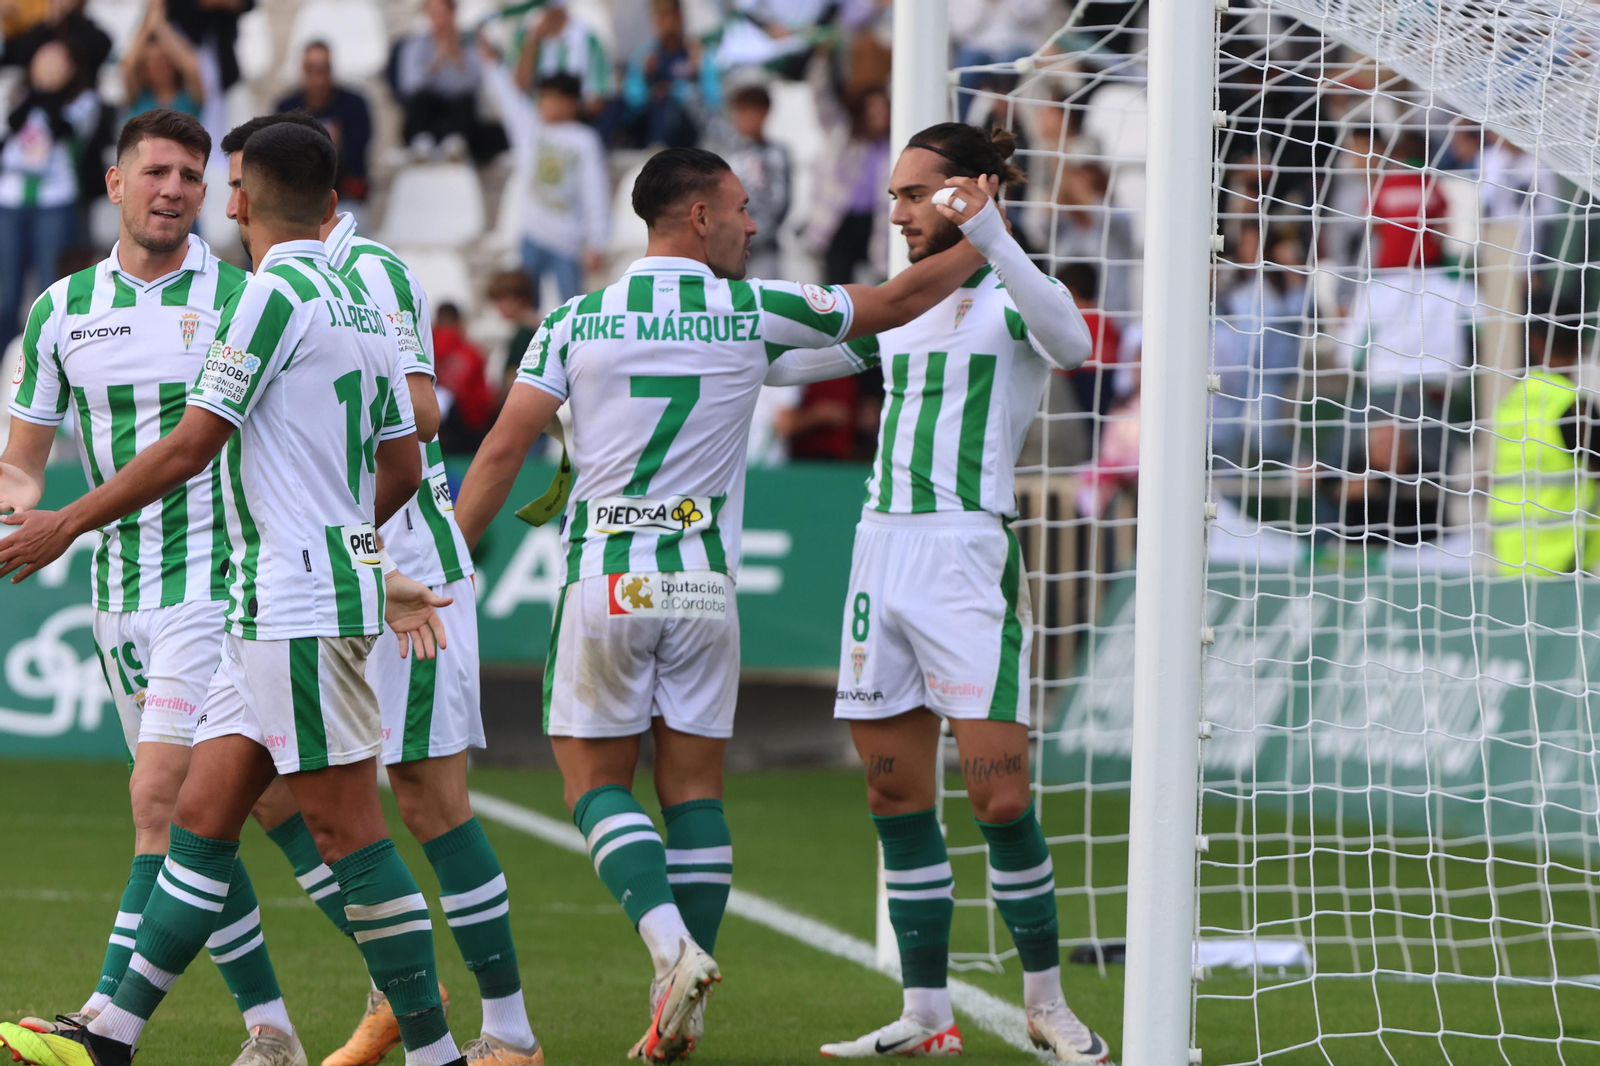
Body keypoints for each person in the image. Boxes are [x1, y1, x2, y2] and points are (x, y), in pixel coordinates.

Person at [452, 146, 994, 1061]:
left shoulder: (574, 321)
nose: (752, 225)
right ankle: (675, 1016)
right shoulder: (751, 309)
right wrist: (988, 235)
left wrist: (449, 557)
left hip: (608, 579)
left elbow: (503, 450)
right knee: (695, 792)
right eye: (741, 209)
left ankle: (670, 951)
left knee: (591, 783)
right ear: (696, 216)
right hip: (705, 585)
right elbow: (897, 304)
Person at [0, 120, 467, 1066]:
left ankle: (436, 1053)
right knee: (199, 817)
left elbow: (189, 446)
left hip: (275, 600)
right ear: (334, 205)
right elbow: (404, 460)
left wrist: (64, 523)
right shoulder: (355, 298)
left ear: (240, 198)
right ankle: (113, 1036)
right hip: (272, 598)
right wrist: (358, 556)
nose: (191, 193)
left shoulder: (260, 299)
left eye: (210, 179)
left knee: (345, 832)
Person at [761, 123, 1111, 1062]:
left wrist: (993, 232)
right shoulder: (901, 308)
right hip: (881, 554)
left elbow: (1075, 345)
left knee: (999, 797)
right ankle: (925, 1015)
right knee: (894, 796)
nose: (900, 210)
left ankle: (1046, 1002)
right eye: (897, 197)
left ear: (973, 190)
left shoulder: (1013, 294)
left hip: (966, 557)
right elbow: (789, 363)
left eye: (916, 194)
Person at [216, 111, 544, 1066]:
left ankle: (508, 1035)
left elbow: (422, 413)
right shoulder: (283, 279)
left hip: (400, 565)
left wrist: (330, 523)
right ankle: (398, 986)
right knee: (279, 794)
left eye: (239, 181)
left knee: (428, 801)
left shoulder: (372, 273)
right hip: (333, 578)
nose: (230, 203)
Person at [0, 107, 308, 1066]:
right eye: (157, 172)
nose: (173, 190)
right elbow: (24, 462)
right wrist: (12, 506)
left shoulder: (244, 297)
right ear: (116, 184)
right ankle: (278, 1028)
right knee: (232, 817)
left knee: (161, 803)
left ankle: (101, 1022)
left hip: (219, 583)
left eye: (190, 174)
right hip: (119, 593)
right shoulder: (59, 311)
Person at [482, 38, 608, 303]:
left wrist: (597, 241)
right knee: (527, 308)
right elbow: (508, 99)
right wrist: (493, 64)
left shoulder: (584, 140)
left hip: (568, 241)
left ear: (569, 102)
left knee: (573, 308)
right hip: (532, 236)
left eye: (551, 98)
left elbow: (595, 191)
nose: (544, 104)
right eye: (542, 98)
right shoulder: (530, 129)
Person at [0, 39, 98, 353]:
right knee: (6, 293)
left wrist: (50, 91)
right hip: (10, 201)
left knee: (48, 288)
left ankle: (43, 361)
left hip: (55, 203)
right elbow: (12, 126)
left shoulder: (84, 100)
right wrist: (38, 89)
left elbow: (63, 129)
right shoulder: (16, 94)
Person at [1488, 313, 1600, 574]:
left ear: (1535, 343)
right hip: (1563, 559)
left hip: (1510, 558)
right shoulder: (1576, 408)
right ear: (1582, 345)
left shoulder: (1512, 401)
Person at [393, 0, 504, 164]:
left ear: (453, 13)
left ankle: (456, 145)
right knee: (421, 101)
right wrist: (437, 61)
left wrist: (458, 59)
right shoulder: (414, 45)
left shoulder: (470, 44)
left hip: (461, 118)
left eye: (444, 13)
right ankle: (421, 145)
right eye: (434, 14)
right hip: (428, 116)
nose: (440, 20)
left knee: (464, 101)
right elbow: (410, 86)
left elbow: (478, 83)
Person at [704, 83, 789, 280]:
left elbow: (781, 203)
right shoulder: (721, 154)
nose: (745, 118)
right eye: (741, 111)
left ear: (765, 113)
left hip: (763, 248)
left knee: (765, 305)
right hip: (723, 249)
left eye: (752, 111)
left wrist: (749, 234)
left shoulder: (778, 153)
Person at [276, 42, 373, 210]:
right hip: (298, 198)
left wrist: (338, 145)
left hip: (344, 196)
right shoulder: (285, 108)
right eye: (311, 69)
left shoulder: (355, 105)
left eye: (323, 69)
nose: (317, 78)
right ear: (303, 70)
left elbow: (359, 155)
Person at [608, 0, 716, 149]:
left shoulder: (697, 55)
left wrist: (683, 84)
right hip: (649, 120)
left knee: (666, 102)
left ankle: (659, 146)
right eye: (660, 18)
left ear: (680, 18)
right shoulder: (645, 54)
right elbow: (633, 99)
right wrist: (644, 78)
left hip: (686, 123)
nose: (666, 24)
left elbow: (714, 99)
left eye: (669, 17)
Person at [512, 0, 610, 115]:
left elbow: (598, 98)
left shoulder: (590, 40)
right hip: (533, 122)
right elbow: (516, 89)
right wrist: (534, 40)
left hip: (576, 124)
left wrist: (562, 110)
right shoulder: (526, 34)